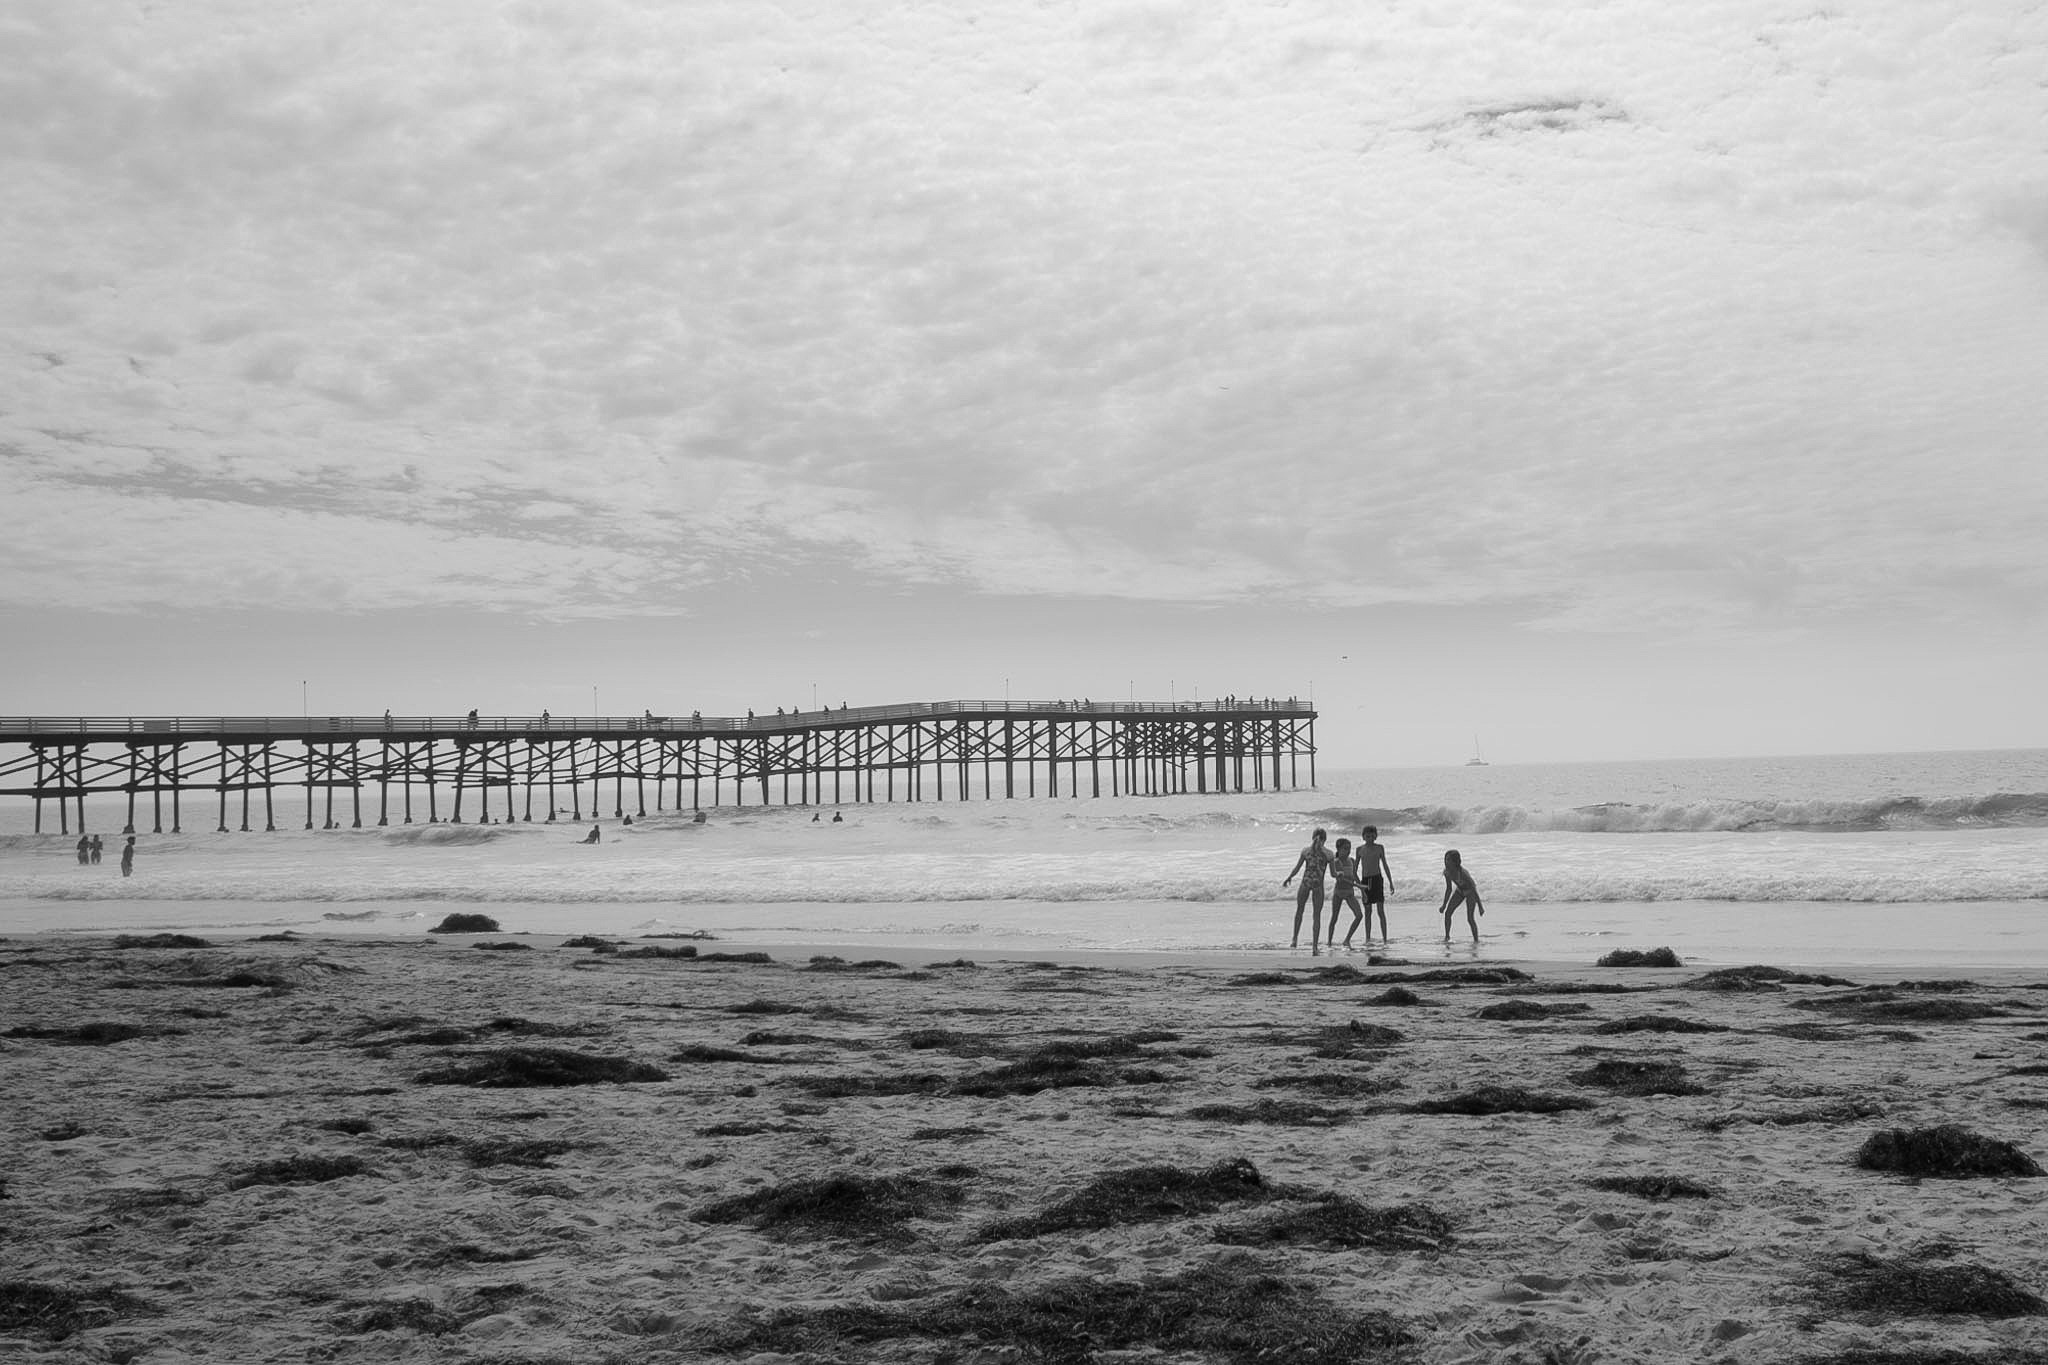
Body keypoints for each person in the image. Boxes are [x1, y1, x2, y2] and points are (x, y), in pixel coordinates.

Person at [1281, 828, 1331, 954]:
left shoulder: (1306, 851)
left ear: (1312, 837)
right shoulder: (1329, 854)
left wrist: (1289, 878)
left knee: (1299, 911)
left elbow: (1297, 868)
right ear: (1325, 839)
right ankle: (1314, 947)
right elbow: (1334, 874)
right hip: (1318, 885)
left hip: (1305, 883)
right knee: (1316, 916)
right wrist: (1341, 874)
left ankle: (1294, 940)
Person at [1327, 837, 1364, 951]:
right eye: (1345, 849)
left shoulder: (1351, 860)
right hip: (1339, 892)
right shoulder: (1335, 862)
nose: (1347, 851)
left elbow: (1354, 876)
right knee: (1334, 918)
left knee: (1359, 915)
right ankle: (1329, 942)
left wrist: (1362, 890)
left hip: (1349, 893)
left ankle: (1347, 939)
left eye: (1349, 849)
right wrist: (1357, 886)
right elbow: (1340, 879)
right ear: (1338, 848)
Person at [1438, 849, 1483, 943]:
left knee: (1470, 918)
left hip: (1470, 892)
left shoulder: (1463, 873)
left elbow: (1474, 889)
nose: (1446, 862)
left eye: (1449, 860)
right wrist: (1444, 905)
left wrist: (1480, 906)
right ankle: (1447, 937)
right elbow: (1449, 889)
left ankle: (1476, 941)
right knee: (1447, 913)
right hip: (1460, 891)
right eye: (1445, 859)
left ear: (1455, 862)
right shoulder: (1447, 872)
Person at [1359, 825, 1392, 947]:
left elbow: (1385, 865)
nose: (1370, 838)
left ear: (1376, 836)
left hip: (1377, 879)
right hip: (1365, 881)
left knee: (1380, 911)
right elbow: (1354, 869)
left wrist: (1390, 882)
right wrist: (1358, 884)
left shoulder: (1379, 848)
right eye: (1367, 836)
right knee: (1367, 912)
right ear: (1363, 837)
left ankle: (1385, 939)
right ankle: (1367, 938)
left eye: (1372, 836)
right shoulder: (1359, 850)